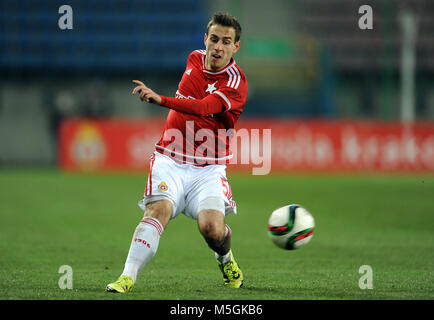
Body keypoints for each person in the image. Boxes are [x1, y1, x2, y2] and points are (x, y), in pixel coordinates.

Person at [106, 13, 248, 293]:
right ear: (205, 39)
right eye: (214, 39)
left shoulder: (235, 83)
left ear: (236, 47)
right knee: (158, 210)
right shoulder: (194, 58)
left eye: (226, 42)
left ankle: (225, 258)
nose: (218, 47)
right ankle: (127, 277)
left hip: (208, 168)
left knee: (212, 230)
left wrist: (162, 100)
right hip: (170, 158)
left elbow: (203, 107)